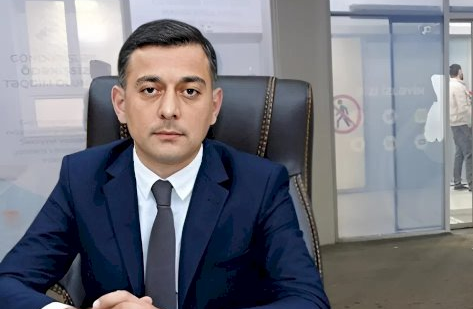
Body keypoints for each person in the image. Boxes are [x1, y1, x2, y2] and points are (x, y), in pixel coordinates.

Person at [0, 19, 329, 309]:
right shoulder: (83, 177)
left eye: (190, 91)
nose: (169, 109)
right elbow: (9, 283)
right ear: (120, 104)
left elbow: (307, 300)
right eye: (150, 89)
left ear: (214, 107)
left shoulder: (260, 184)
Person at [449, 64, 473, 193]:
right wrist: (470, 123)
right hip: (462, 123)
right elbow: (463, 108)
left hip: (454, 123)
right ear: (459, 71)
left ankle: (457, 181)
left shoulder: (449, 86)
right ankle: (472, 185)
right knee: (470, 153)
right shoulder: (458, 87)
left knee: (459, 153)